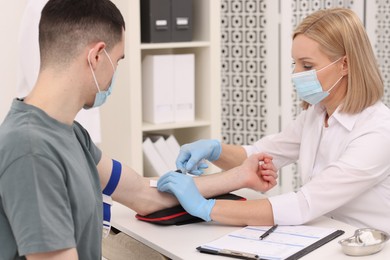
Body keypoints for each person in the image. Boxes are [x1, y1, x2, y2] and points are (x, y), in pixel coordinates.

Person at [0, 0, 277, 259]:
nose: (114, 73)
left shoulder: (68, 133)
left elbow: (143, 194)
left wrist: (240, 175)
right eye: (118, 60)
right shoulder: (31, 150)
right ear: (97, 56)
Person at [157, 8, 390, 233]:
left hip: (369, 246)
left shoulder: (377, 132)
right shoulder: (317, 114)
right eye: (295, 64)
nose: (296, 73)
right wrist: (214, 151)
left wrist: (206, 208)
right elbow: (261, 156)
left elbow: (303, 204)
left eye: (307, 65)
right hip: (327, 233)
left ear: (345, 65)